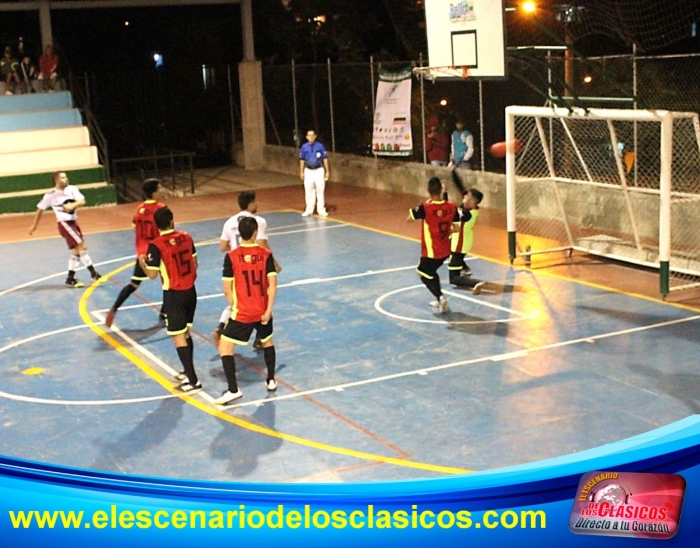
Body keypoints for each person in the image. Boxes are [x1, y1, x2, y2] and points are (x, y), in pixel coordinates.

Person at [213, 216, 279, 405]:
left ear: (239, 234)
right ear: (256, 233)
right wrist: (268, 310)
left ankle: (233, 390)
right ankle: (271, 380)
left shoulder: (231, 257)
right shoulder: (266, 254)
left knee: (225, 346)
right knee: (267, 341)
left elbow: (227, 288)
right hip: (262, 309)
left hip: (243, 312)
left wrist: (235, 305)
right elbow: (272, 286)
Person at [140, 206, 201, 393]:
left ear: (156, 226)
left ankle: (193, 380)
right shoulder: (187, 237)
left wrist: (143, 261)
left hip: (173, 295)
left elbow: (151, 274)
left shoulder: (156, 245)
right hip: (191, 291)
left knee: (177, 336)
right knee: (186, 332)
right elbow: (195, 263)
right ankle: (187, 370)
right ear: (172, 221)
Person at [212, 190, 281, 345]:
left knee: (239, 300)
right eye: (255, 201)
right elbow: (262, 246)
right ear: (250, 204)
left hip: (237, 267)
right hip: (256, 266)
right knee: (261, 300)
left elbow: (222, 246)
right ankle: (261, 338)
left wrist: (236, 250)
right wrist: (274, 264)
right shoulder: (258, 221)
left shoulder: (229, 222)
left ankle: (221, 326)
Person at [105, 179, 166, 328]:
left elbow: (133, 224)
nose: (162, 190)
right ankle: (164, 313)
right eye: (160, 188)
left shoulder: (139, 208)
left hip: (142, 252)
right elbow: (166, 229)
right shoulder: (160, 208)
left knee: (133, 284)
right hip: (157, 250)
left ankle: (114, 308)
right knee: (168, 283)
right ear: (154, 193)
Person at [28, 171, 103, 287]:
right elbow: (40, 210)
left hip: (73, 222)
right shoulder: (50, 195)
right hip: (64, 224)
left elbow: (82, 201)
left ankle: (70, 278)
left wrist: (72, 206)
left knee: (76, 252)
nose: (66, 179)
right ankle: (94, 274)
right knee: (82, 247)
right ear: (56, 181)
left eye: (66, 177)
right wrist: (34, 226)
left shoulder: (72, 189)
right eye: (63, 178)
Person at [408, 176, 458, 313]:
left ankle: (441, 298)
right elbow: (456, 228)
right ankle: (439, 298)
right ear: (442, 190)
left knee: (422, 272)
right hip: (445, 249)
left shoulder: (425, 208)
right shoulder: (452, 206)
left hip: (431, 251)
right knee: (431, 272)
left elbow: (409, 218)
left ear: (427, 190)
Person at [447, 170, 486, 294]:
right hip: (456, 241)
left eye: (467, 196)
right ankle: (464, 268)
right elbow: (460, 187)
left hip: (460, 245)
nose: (464, 196)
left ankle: (476, 283)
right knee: (446, 249)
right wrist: (452, 171)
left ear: (473, 200)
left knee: (453, 278)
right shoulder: (468, 206)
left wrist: (443, 196)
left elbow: (451, 211)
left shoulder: (468, 214)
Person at [299, 129, 330, 217]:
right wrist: (301, 171)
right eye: (309, 135)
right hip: (308, 170)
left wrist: (327, 171)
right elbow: (302, 159)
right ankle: (309, 209)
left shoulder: (320, 146)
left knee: (320, 190)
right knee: (308, 190)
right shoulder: (304, 147)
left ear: (315, 136)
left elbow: (325, 158)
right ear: (306, 137)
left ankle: (321, 209)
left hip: (319, 170)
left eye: (313, 135)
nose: (311, 137)